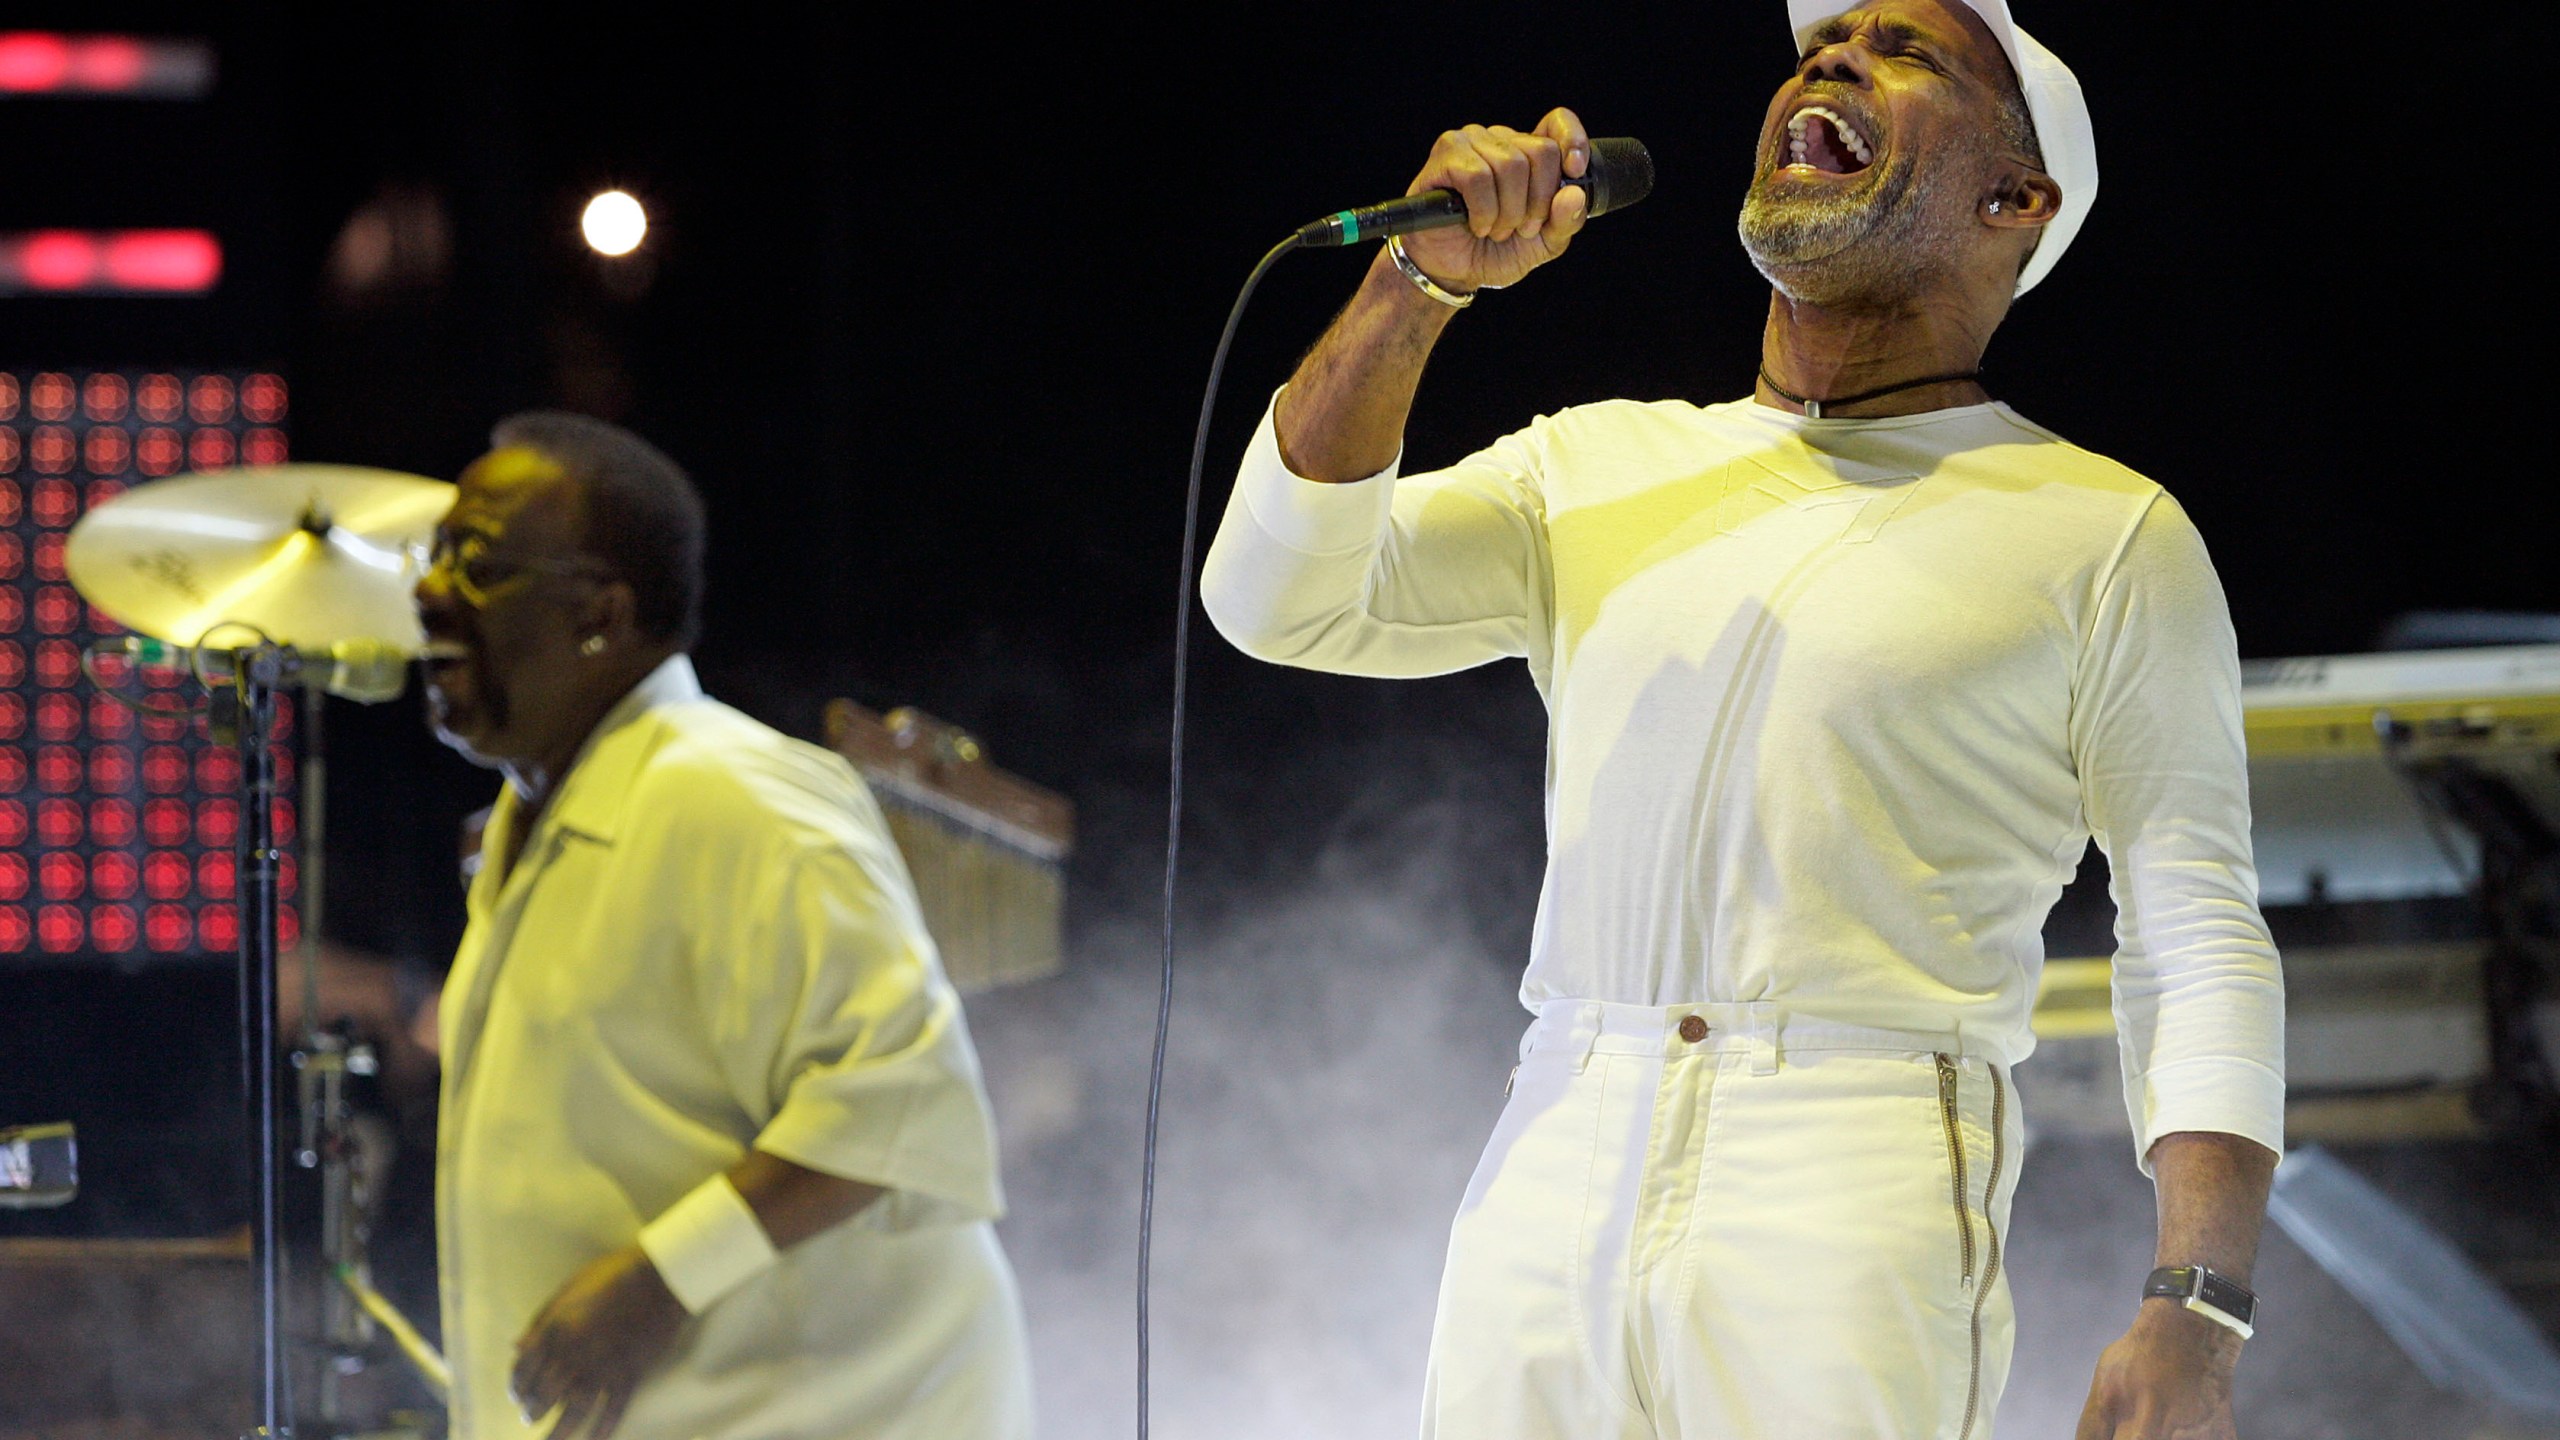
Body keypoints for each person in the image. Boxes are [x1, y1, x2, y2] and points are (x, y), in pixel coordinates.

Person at [1199, 2, 2284, 1437]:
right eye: (1824, 41)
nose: (1830, 58)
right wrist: (1417, 280)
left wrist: (2197, 1305)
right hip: (1558, 1139)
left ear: (2014, 201)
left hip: (1856, 1157)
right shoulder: (1601, 464)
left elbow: (2195, 928)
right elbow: (1273, 598)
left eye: (1906, 52)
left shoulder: (2102, 531)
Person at [413, 412, 1032, 1439]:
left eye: (474, 565)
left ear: (601, 615)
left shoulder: (736, 797)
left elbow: (901, 1100)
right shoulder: (540, 822)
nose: (427, 593)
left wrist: (656, 1282)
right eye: (431, 560)